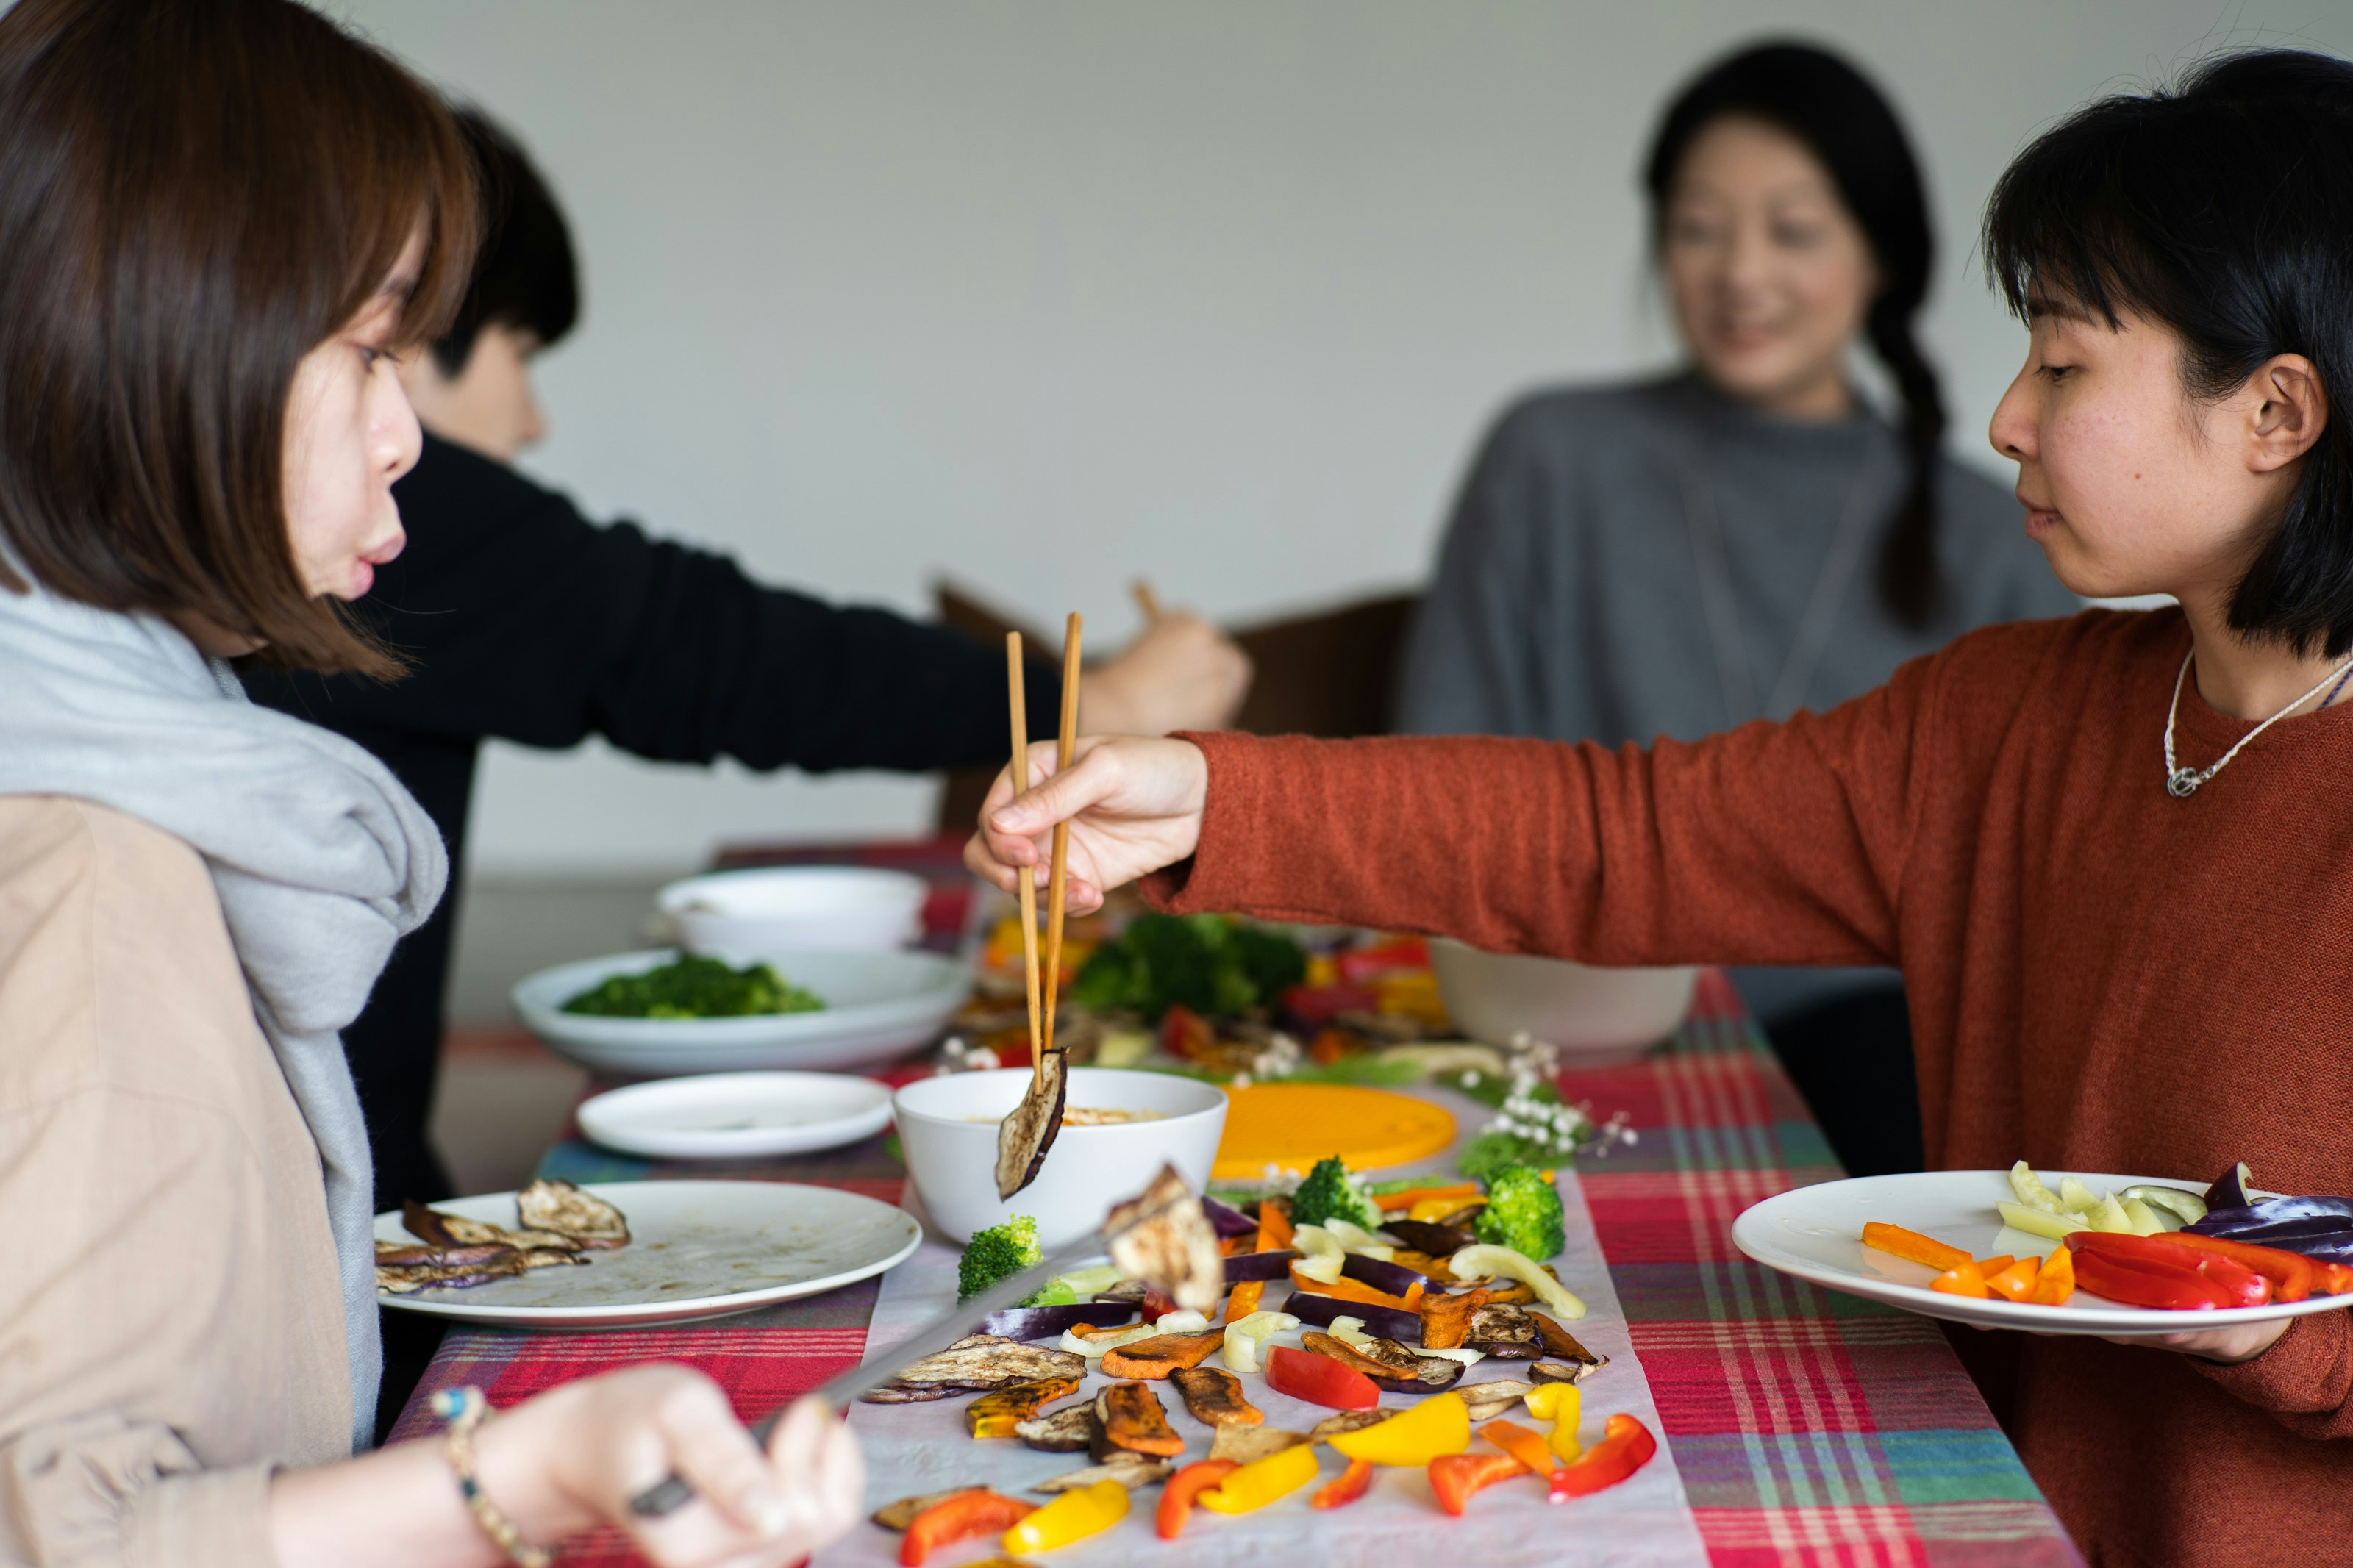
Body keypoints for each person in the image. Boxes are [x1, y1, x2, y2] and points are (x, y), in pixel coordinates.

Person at [969, 51, 2353, 1568]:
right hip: (1989, 1516)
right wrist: (1205, 791)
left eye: (2068, 364)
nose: (2007, 415)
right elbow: (1618, 835)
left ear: (2275, 411)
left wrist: (2270, 1328)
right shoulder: (2011, 716)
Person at [0, 1, 859, 1561]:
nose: (408, 436)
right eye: (369, 345)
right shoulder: (85, 868)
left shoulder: (135, 749)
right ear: (164, 335)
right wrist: (508, 1479)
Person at [241, 106, 1252, 1215]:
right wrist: (1090, 698)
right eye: (379, 346)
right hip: (315, 1219)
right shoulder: (360, 511)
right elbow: (700, 649)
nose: (524, 422)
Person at [1396, 42, 2079, 1178]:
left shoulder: (1999, 524)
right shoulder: (1553, 457)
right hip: (1571, 1006)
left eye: (1794, 230)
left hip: (1875, 1049)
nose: (1740, 272)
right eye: (1699, 226)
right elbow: (1438, 767)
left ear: (1880, 256)